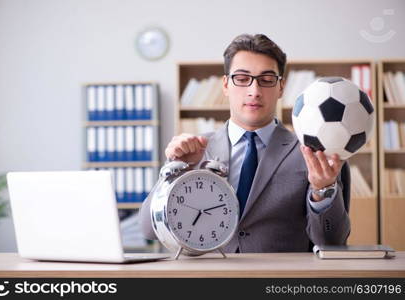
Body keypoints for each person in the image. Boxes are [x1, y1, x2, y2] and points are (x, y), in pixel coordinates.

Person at [140, 33, 350, 253]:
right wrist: (174, 172)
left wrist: (322, 190)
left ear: (281, 87)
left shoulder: (310, 153)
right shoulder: (193, 149)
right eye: (242, 78)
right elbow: (149, 230)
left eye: (267, 79)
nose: (254, 91)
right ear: (225, 85)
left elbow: (332, 243)